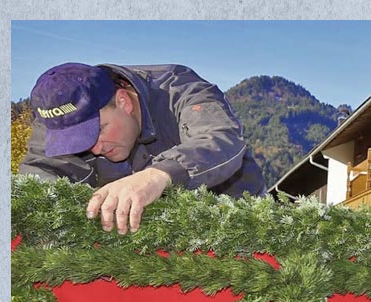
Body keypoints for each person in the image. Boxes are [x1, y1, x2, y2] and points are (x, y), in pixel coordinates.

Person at [20, 62, 266, 235]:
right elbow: (36, 177)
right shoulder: (57, 119)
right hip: (142, 243)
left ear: (123, 102)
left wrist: (157, 175)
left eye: (97, 131)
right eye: (76, 142)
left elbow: (220, 138)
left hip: (232, 218)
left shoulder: (179, 89)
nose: (94, 149)